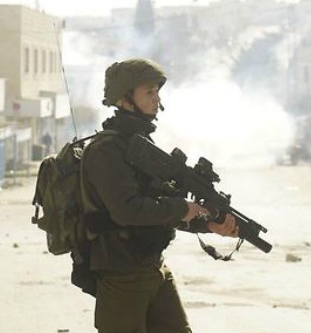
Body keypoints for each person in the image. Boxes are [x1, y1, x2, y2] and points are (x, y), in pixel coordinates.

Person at [80, 58, 240, 333]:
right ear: (124, 98)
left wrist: (206, 223)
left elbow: (159, 206)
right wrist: (181, 208)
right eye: (148, 92)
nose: (157, 99)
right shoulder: (107, 150)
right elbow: (128, 210)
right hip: (121, 272)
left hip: (151, 266)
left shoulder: (139, 145)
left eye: (157, 91)